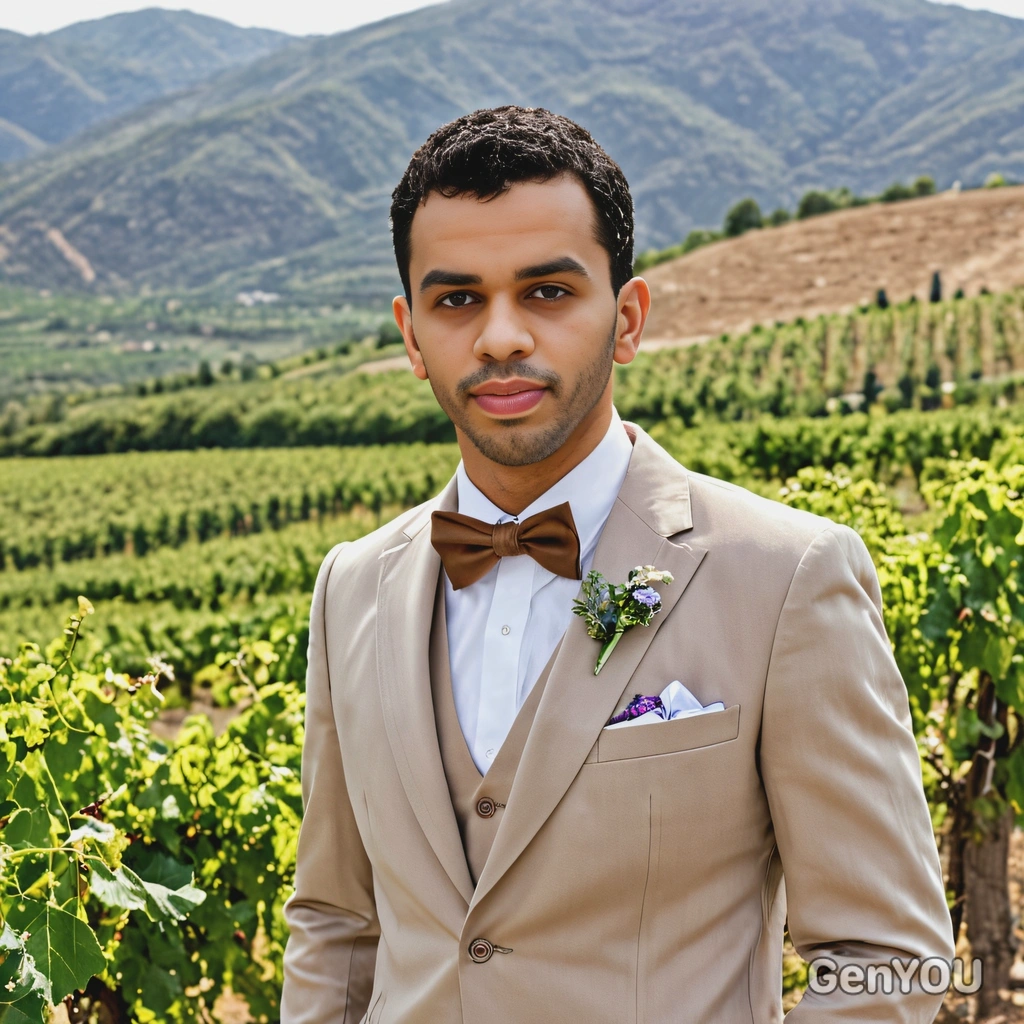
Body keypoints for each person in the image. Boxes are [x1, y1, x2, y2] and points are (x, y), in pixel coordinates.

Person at [280, 106, 954, 1023]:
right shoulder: (350, 588)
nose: (502, 337)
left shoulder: (787, 577)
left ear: (627, 319)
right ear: (409, 334)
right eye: (457, 299)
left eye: (548, 292)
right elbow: (336, 925)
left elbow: (893, 957)